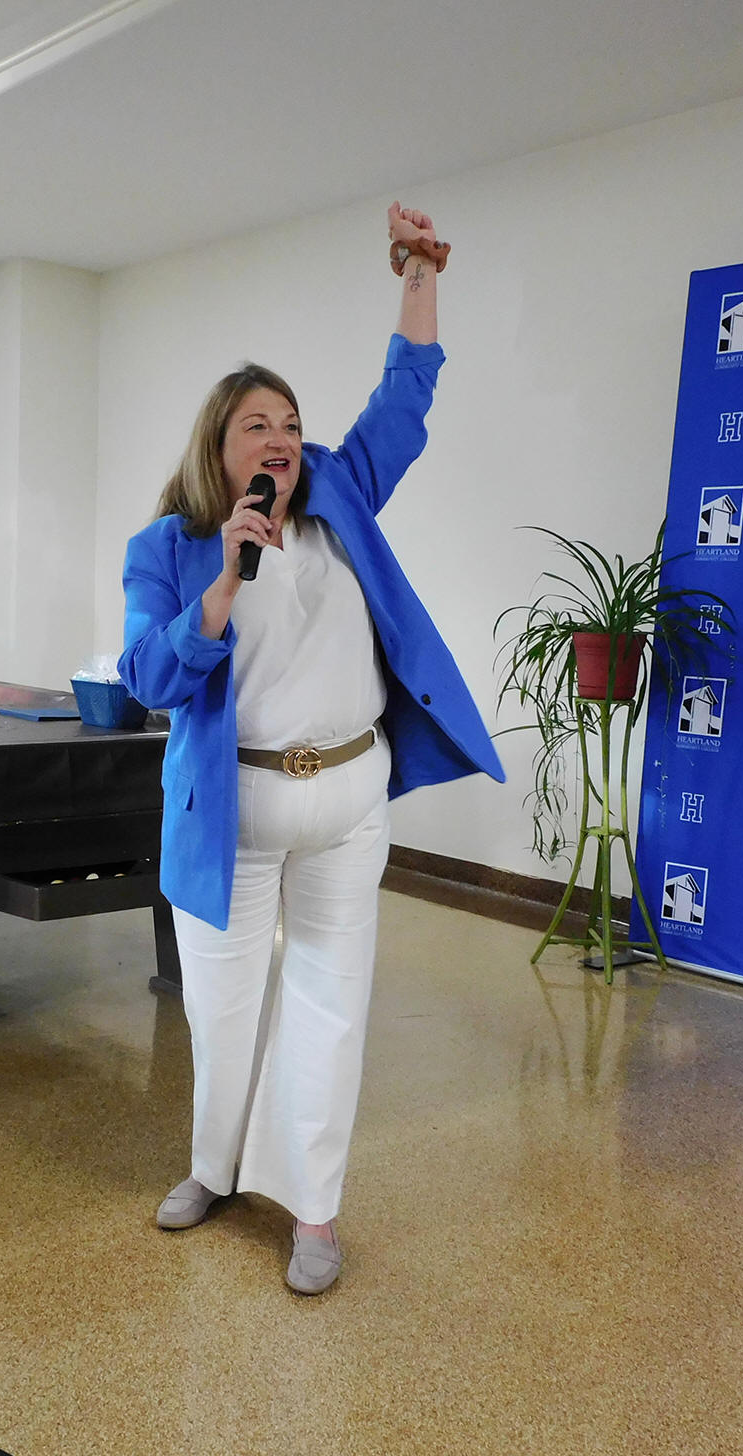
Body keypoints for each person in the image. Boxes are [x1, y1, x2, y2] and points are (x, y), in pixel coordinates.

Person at [119, 203, 502, 1295]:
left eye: (289, 421)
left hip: (347, 799)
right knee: (222, 1007)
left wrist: (420, 274)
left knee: (329, 1006)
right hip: (231, 815)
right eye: (257, 424)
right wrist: (221, 585)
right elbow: (147, 676)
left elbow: (405, 399)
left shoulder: (342, 492)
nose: (281, 438)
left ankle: (317, 1211)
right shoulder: (170, 547)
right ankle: (214, 1170)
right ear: (219, 447)